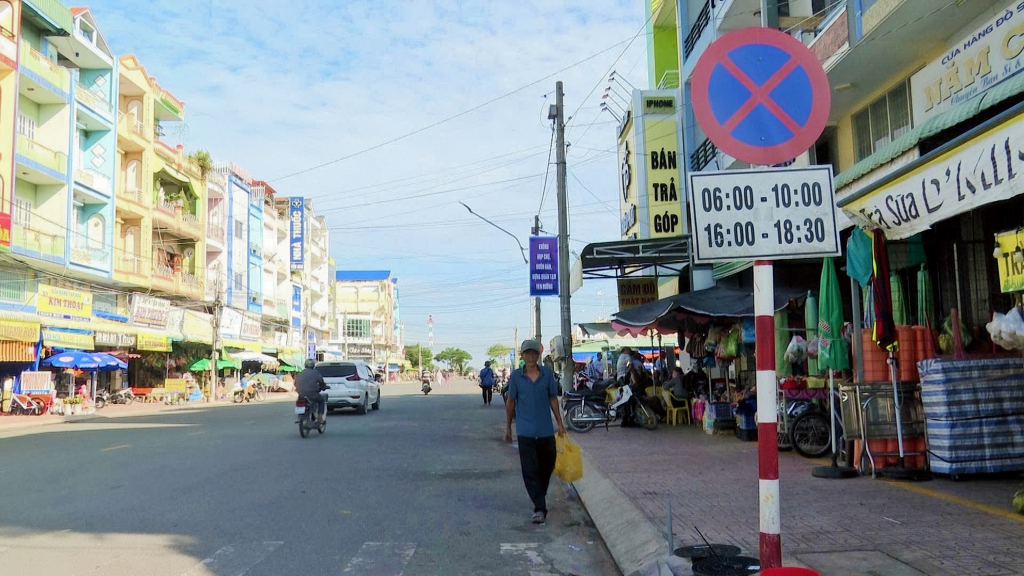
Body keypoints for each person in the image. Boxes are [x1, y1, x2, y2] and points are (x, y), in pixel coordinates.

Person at [504, 339, 567, 525]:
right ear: (522, 356)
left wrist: (560, 423)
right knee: (530, 470)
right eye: (527, 353)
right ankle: (540, 508)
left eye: (534, 353)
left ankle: (539, 494)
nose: (531, 357)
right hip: (525, 431)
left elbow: (553, 399)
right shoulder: (516, 377)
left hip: (545, 429)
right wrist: (508, 428)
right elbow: (511, 402)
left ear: (538, 355)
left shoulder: (547, 374)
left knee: (547, 466)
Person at [295, 359, 328, 424]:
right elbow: (321, 382)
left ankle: (299, 417)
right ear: (313, 365)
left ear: (305, 365)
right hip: (313, 394)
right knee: (321, 401)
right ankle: (320, 418)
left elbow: (295, 383)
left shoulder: (300, 373)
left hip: (301, 394)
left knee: (299, 402)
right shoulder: (316, 373)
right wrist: (324, 387)